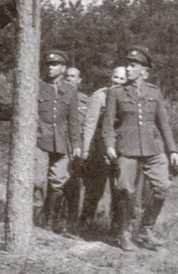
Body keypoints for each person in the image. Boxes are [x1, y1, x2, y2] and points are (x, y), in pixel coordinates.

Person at [103, 47, 178, 251]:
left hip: (151, 149)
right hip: (127, 148)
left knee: (162, 186)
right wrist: (110, 145)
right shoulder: (116, 92)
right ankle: (124, 233)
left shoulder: (153, 92)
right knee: (125, 191)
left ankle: (146, 229)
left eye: (133, 65)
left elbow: (163, 124)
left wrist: (172, 150)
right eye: (128, 65)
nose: (128, 69)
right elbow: (108, 124)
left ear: (144, 70)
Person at [34, 50, 81, 233]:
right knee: (37, 181)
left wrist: (76, 144)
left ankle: (50, 219)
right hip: (40, 139)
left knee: (58, 181)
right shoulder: (38, 86)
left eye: (54, 64)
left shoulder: (70, 91)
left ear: (63, 68)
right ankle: (34, 216)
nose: (50, 67)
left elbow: (73, 121)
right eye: (48, 64)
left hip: (61, 142)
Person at [79, 66, 126, 230]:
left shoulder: (128, 97)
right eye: (116, 77)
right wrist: (86, 149)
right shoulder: (100, 95)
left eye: (122, 79)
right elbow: (90, 123)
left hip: (121, 146)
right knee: (95, 186)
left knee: (119, 187)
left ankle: (116, 225)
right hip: (100, 146)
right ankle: (85, 221)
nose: (118, 82)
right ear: (110, 77)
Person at [62, 67, 89, 231]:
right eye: (67, 76)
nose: (69, 79)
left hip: (77, 146)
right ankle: (50, 218)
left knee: (74, 183)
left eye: (73, 77)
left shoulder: (86, 101)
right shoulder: (59, 97)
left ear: (79, 80)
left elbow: (89, 124)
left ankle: (71, 222)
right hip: (60, 143)